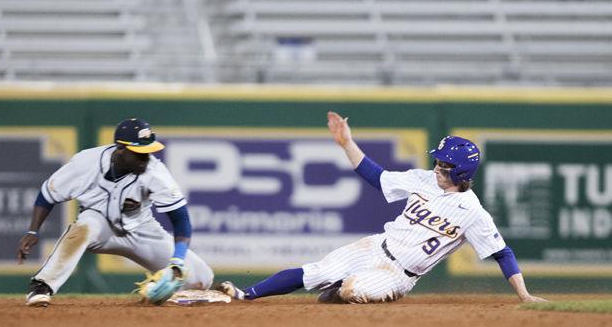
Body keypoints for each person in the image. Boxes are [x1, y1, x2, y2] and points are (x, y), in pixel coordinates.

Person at [218, 111, 546, 304]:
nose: (436, 168)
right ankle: (246, 294)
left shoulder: (472, 212)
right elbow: (377, 177)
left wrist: (525, 295)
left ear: (461, 173)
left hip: (399, 275)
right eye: (437, 161)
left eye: (444, 165)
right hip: (376, 245)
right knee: (316, 271)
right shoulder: (424, 179)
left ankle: (339, 290)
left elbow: (502, 253)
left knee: (349, 290)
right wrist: (347, 142)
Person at [17, 118, 214, 306]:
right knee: (85, 227)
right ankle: (41, 286)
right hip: (99, 225)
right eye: (139, 152)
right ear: (120, 148)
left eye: (148, 151)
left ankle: (163, 294)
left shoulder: (155, 172)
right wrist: (33, 231)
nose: (145, 158)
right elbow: (48, 194)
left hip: (142, 229)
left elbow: (181, 220)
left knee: (202, 278)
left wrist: (177, 262)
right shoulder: (87, 162)